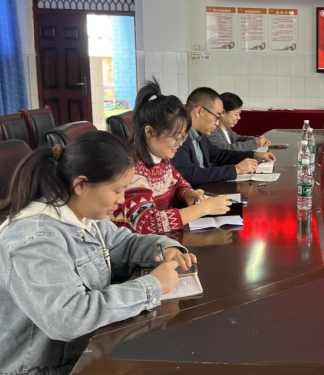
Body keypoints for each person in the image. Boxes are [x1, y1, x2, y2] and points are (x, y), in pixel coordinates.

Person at [0, 131, 196, 375]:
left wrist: (166, 248)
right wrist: (152, 286)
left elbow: (124, 243)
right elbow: (68, 318)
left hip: (90, 347)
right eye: (117, 190)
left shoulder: (84, 212)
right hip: (46, 368)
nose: (122, 200)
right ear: (80, 185)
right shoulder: (34, 240)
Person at [111, 80, 233, 234]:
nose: (180, 144)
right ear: (149, 132)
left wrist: (187, 193)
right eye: (176, 137)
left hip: (165, 238)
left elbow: (178, 182)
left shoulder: (162, 159)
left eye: (183, 137)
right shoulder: (132, 169)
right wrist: (204, 208)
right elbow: (147, 223)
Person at [171, 87, 276, 188]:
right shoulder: (179, 137)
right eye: (216, 117)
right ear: (199, 111)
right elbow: (188, 174)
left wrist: (254, 155)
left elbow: (219, 154)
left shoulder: (200, 136)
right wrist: (235, 170)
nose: (217, 123)